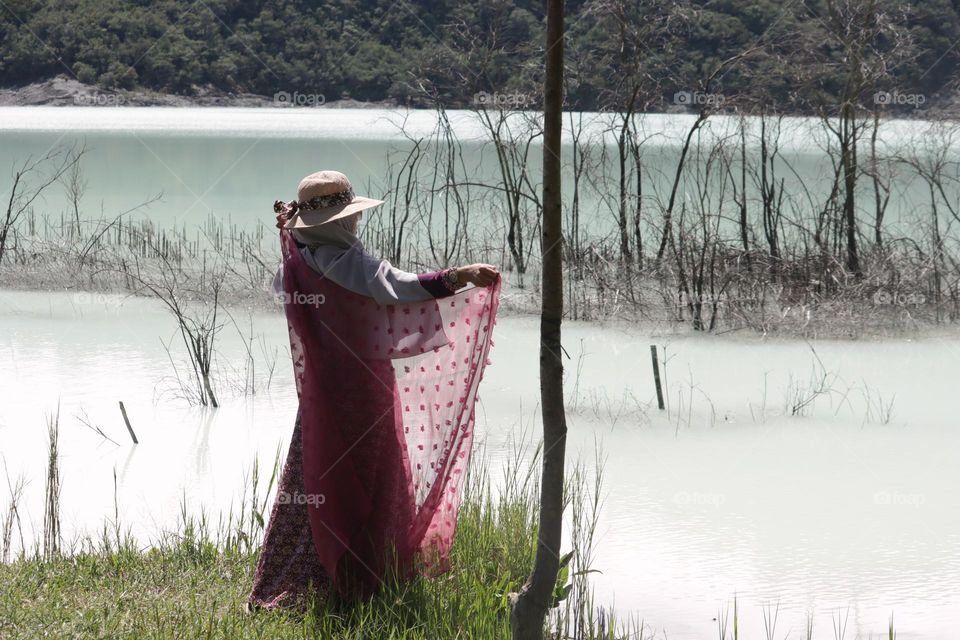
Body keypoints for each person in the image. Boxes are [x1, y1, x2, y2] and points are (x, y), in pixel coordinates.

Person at [246, 170, 500, 611]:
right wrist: (459, 275)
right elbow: (401, 286)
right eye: (350, 217)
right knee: (373, 474)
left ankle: (305, 575)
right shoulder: (347, 263)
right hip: (363, 388)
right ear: (337, 223)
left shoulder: (296, 265)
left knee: (317, 473)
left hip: (322, 393)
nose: (356, 222)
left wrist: (293, 239)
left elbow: (287, 290)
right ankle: (366, 573)